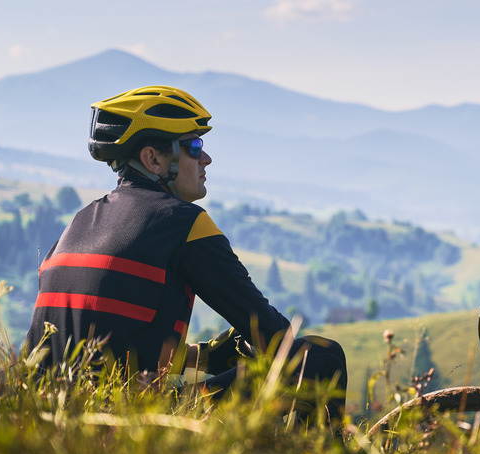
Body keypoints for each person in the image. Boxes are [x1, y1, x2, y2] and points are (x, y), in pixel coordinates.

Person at [24, 85, 347, 422]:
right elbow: (276, 339)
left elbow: (110, 343)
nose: (206, 159)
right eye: (194, 147)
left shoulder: (80, 222)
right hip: (133, 424)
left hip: (48, 420)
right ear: (154, 158)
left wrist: (204, 358)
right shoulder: (183, 223)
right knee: (321, 358)